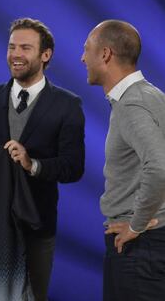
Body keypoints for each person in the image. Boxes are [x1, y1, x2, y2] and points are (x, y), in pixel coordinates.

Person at [0, 18, 85, 301]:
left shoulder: (68, 105)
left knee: (34, 296)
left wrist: (33, 165)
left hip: (37, 226)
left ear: (45, 55)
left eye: (25, 48)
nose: (16, 54)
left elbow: (73, 166)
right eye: (12, 47)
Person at [82, 20, 165, 301]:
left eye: (87, 49)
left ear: (105, 54)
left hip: (140, 248)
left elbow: (159, 166)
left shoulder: (132, 104)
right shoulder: (151, 95)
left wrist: (137, 223)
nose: (83, 58)